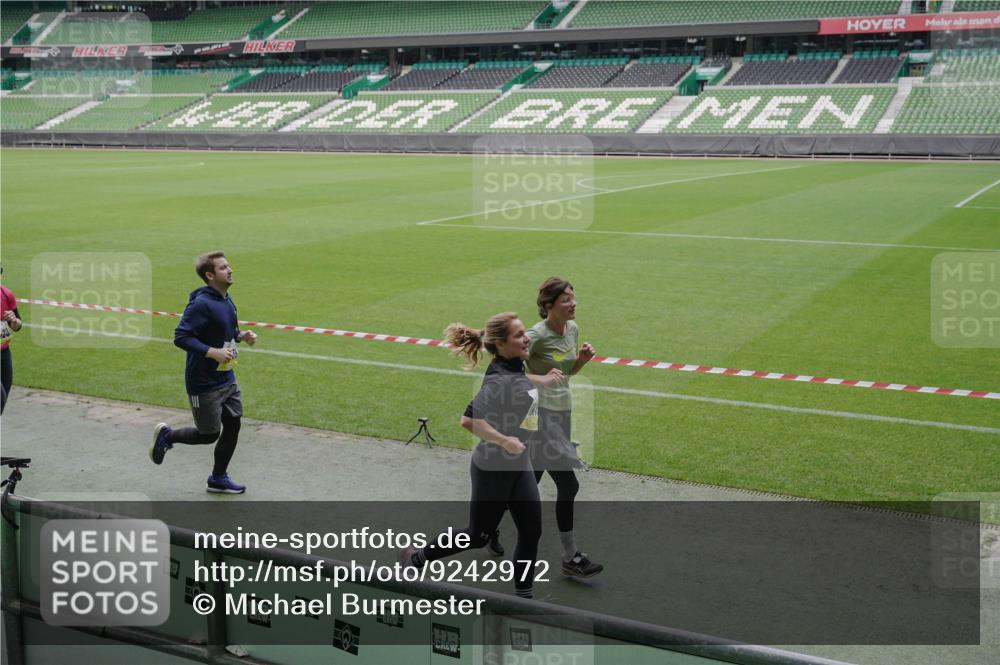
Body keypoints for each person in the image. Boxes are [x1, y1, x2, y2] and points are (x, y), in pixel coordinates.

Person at [401, 312, 563, 599]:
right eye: (518, 335)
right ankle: (415, 557)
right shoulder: (498, 381)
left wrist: (544, 380)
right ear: (501, 344)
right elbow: (469, 420)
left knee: (531, 529)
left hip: (518, 464)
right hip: (494, 467)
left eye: (524, 332)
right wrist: (505, 441)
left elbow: (520, 378)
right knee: (478, 535)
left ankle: (523, 599)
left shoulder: (511, 367)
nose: (526, 338)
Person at [490, 277, 603, 578]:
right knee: (568, 485)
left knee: (529, 480)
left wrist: (581, 361)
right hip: (539, 418)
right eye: (566, 299)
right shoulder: (535, 336)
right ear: (548, 305)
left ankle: (487, 528)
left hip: (561, 413)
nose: (573, 303)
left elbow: (564, 375)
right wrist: (539, 381)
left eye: (573, 298)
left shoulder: (573, 329)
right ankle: (571, 556)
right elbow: (509, 372)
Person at [149, 251, 257, 494]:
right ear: (210, 275)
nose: (230, 270)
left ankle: (218, 478)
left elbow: (226, 332)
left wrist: (242, 336)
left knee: (233, 425)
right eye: (223, 268)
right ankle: (168, 437)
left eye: (229, 266)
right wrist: (211, 352)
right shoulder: (201, 304)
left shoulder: (226, 299)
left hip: (227, 377)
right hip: (203, 382)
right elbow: (181, 337)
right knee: (209, 434)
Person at [1, 266, 23, 414]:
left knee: (4, 395)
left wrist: (14, 321)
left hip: (3, 353)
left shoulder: (6, 294)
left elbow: (18, 325)